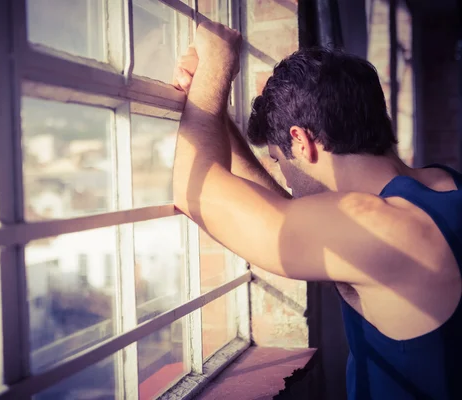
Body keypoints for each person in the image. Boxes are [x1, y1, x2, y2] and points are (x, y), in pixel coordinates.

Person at [172, 20, 462, 400]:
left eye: (279, 162)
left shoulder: (380, 227)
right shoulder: (443, 183)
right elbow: (292, 216)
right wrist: (219, 118)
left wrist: (215, 65)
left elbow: (194, 192)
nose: (286, 178)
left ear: (302, 140)